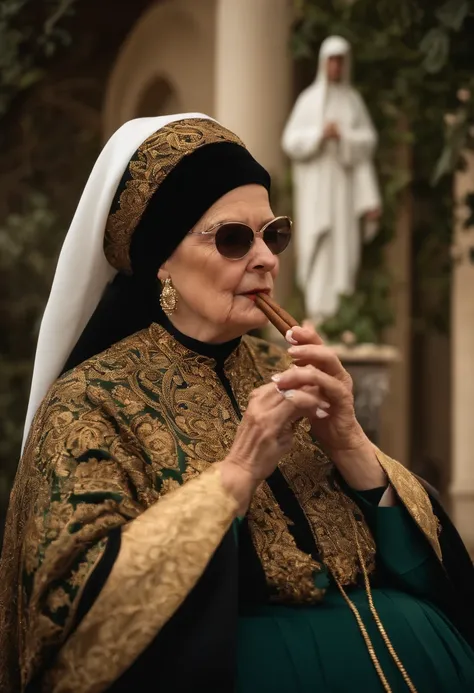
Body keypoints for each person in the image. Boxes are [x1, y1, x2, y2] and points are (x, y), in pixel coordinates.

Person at [0, 113, 473, 693]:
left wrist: (350, 441)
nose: (267, 259)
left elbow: (429, 572)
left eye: (273, 234)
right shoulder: (88, 403)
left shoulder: (291, 375)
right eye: (232, 238)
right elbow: (74, 612)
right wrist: (238, 475)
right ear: (162, 262)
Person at [282, 35, 382, 322]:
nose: (336, 66)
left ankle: (341, 315)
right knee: (318, 246)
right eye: (332, 60)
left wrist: (345, 137)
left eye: (341, 61)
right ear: (323, 63)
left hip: (344, 191)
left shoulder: (353, 101)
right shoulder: (309, 100)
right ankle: (319, 313)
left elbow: (367, 143)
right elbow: (290, 140)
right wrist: (319, 135)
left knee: (343, 249)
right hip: (317, 189)